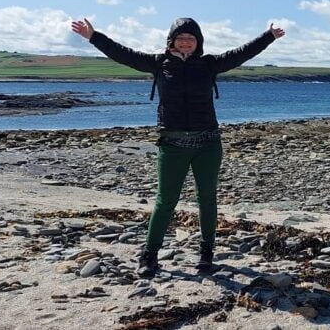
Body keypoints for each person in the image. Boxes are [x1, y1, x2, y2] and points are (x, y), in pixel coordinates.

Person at [70, 17, 285, 276]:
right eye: (181, 38)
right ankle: (149, 256)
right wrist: (94, 37)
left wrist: (268, 36)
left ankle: (206, 253)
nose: (185, 43)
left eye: (190, 38)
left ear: (198, 42)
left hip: (207, 144)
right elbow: (122, 54)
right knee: (165, 201)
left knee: (207, 199)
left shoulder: (209, 64)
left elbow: (241, 53)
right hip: (172, 144)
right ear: (171, 40)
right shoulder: (158, 63)